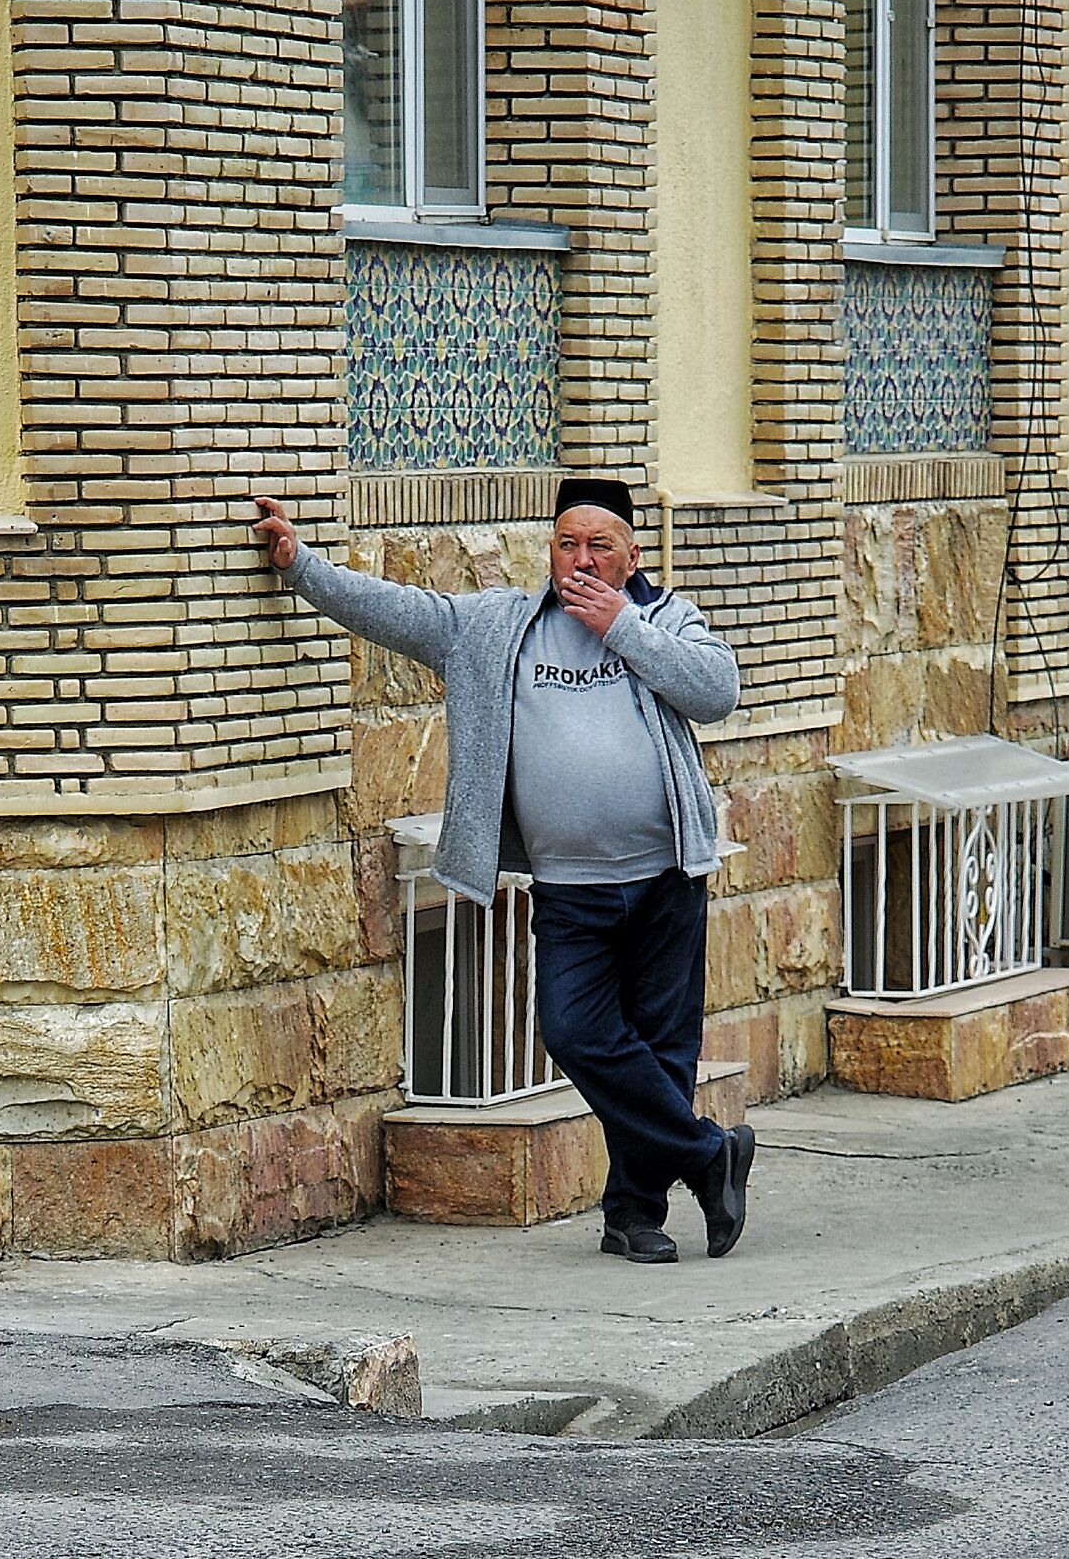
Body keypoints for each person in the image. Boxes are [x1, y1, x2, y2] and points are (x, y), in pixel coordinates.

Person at [251, 478, 752, 1263]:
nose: (580, 559)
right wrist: (303, 566)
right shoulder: (498, 628)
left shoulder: (665, 618)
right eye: (566, 543)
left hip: (666, 878)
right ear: (548, 549)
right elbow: (396, 611)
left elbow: (716, 691)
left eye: (599, 546)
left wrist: (622, 626)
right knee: (574, 1030)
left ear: (633, 555)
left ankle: (632, 1215)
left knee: (661, 1051)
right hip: (569, 889)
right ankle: (707, 1155)